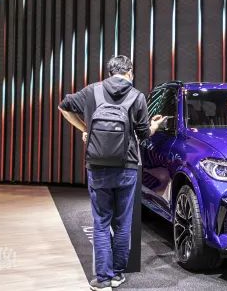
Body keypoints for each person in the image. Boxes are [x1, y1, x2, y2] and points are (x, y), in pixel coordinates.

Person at [58, 55, 165, 291]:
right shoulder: (137, 96)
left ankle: (103, 279)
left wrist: (85, 128)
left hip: (97, 166)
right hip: (127, 167)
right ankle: (117, 274)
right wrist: (154, 126)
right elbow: (144, 135)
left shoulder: (92, 91)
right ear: (130, 72)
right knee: (123, 222)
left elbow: (63, 106)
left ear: (109, 73)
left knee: (101, 222)